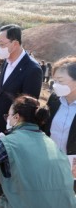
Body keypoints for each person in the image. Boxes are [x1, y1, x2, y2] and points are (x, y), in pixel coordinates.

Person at [0, 24, 43, 196]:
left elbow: (28, 103)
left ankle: (5, 185)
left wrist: (14, 123)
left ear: (14, 43)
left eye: (1, 44)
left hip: (15, 122)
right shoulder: (7, 61)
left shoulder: (32, 69)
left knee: (10, 154)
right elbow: (2, 89)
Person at [45, 56, 76, 192]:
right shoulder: (54, 99)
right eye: (55, 80)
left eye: (61, 81)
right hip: (50, 160)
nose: (56, 85)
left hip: (72, 168)